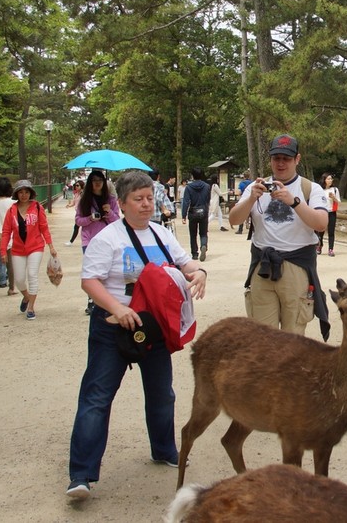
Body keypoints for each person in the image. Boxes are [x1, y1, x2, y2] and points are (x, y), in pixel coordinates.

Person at [66, 170, 207, 501]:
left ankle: (163, 449)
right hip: (113, 327)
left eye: (149, 199)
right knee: (97, 396)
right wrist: (117, 308)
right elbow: (90, 281)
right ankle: (81, 474)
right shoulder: (108, 238)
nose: (146, 205)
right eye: (138, 200)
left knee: (162, 393)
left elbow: (187, 265)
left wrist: (200, 272)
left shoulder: (162, 235)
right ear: (123, 203)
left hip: (153, 327)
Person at [228, 135, 331, 338]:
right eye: (276, 158)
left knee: (293, 338)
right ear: (270, 160)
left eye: (286, 158)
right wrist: (250, 199)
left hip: (296, 269)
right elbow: (234, 220)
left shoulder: (310, 189)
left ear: (297, 159)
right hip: (262, 268)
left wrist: (294, 202)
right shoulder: (254, 188)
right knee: (263, 338)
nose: (281, 163)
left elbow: (321, 223)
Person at [0, 180, 58, 320]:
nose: (24, 195)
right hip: (18, 249)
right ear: (17, 194)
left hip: (36, 246)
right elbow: (6, 232)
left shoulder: (37, 207)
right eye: (21, 192)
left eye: (26, 192)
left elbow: (44, 227)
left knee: (32, 275)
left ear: (30, 193)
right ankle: (26, 297)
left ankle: (31, 307)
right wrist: (3, 251)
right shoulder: (12, 210)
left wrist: (50, 245)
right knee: (19, 279)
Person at [74, 170, 121, 314]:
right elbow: (78, 220)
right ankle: (92, 301)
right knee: (92, 272)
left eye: (100, 179)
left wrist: (109, 212)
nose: (97, 183)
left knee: (107, 271)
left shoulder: (111, 199)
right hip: (90, 240)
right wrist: (90, 219)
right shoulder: (85, 200)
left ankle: (105, 301)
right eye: (94, 180)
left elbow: (117, 220)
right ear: (90, 183)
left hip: (108, 240)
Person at [183, 168, 211, 261]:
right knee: (203, 233)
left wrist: (184, 215)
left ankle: (194, 253)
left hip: (193, 212)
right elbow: (208, 199)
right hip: (203, 211)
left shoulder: (188, 187)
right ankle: (203, 245)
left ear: (193, 176)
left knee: (193, 234)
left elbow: (186, 202)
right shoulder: (207, 186)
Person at [316, 172, 339, 256]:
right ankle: (319, 245)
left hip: (332, 212)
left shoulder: (335, 190)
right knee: (320, 231)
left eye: (331, 179)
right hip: (323, 213)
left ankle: (330, 249)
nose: (330, 180)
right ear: (324, 180)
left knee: (331, 232)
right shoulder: (319, 190)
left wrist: (333, 197)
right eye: (328, 179)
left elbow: (338, 202)